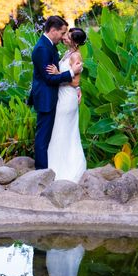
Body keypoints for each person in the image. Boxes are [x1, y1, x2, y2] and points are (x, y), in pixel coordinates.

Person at [28, 16, 83, 170]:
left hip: (59, 98)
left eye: (66, 34)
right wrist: (72, 72)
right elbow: (48, 78)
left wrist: (76, 87)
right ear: (53, 30)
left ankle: (51, 169)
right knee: (43, 138)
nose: (63, 37)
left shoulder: (51, 45)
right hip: (46, 98)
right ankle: (41, 171)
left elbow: (61, 75)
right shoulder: (42, 48)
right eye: (62, 33)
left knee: (57, 135)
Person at [45, 28, 88, 183]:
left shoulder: (76, 56)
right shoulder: (68, 53)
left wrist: (58, 75)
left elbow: (75, 81)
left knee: (63, 131)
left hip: (67, 98)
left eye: (68, 37)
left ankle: (67, 171)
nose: (64, 38)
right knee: (60, 131)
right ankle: (57, 167)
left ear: (74, 41)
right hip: (62, 96)